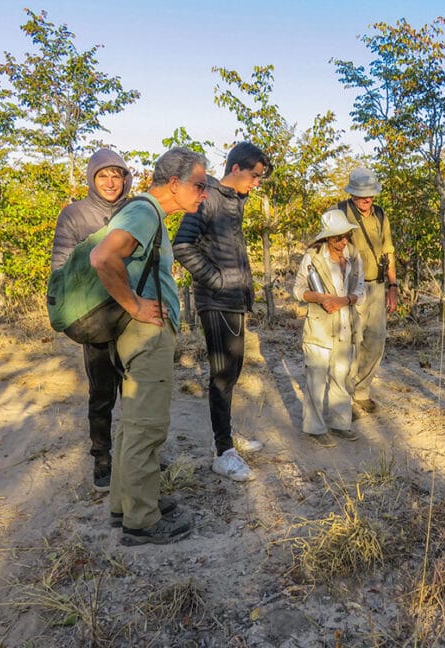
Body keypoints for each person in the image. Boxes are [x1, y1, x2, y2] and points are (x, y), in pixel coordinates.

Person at [90, 147, 209, 545]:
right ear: (174, 184)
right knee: (147, 427)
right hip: (145, 335)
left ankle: (126, 503)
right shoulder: (143, 212)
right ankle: (141, 521)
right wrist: (135, 305)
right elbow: (103, 257)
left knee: (133, 424)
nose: (203, 193)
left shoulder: (148, 213)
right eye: (199, 185)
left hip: (138, 334)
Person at [173, 142, 272, 482]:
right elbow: (182, 245)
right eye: (255, 176)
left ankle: (226, 436)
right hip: (215, 300)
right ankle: (222, 452)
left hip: (233, 299)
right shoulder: (209, 197)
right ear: (236, 169)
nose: (257, 183)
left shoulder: (233, 201)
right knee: (221, 373)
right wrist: (215, 280)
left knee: (232, 372)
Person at [50, 149, 132, 491]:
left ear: (126, 179)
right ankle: (102, 455)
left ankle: (135, 454)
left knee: (137, 389)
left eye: (117, 175)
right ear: (91, 179)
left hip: (132, 311)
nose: (111, 182)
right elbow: (61, 266)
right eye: (104, 176)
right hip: (95, 315)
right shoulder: (74, 214)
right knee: (102, 390)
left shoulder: (134, 210)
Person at [293, 209, 365, 447]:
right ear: (326, 238)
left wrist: (343, 301)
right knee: (316, 376)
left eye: (346, 236)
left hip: (345, 324)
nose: (343, 241)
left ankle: (340, 423)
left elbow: (361, 291)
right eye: (337, 237)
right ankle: (314, 428)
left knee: (341, 376)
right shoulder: (312, 257)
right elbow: (297, 290)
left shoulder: (354, 256)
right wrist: (320, 298)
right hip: (320, 328)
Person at [332, 168, 397, 416]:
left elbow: (388, 251)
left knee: (375, 339)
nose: (366, 199)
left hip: (377, 285)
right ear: (351, 193)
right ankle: (342, 396)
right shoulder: (338, 213)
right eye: (361, 195)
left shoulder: (380, 215)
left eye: (370, 194)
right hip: (349, 287)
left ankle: (361, 391)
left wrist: (393, 286)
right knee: (349, 342)